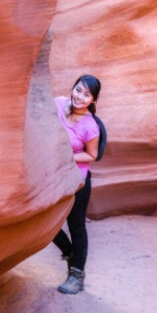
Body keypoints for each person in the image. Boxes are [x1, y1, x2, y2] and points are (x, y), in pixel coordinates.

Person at [52, 74, 101, 294]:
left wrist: (67, 156)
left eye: (86, 94)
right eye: (78, 90)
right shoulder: (59, 104)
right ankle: (72, 254)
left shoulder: (90, 127)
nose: (80, 96)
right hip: (52, 175)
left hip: (77, 180)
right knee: (47, 222)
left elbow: (92, 155)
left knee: (76, 226)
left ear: (93, 101)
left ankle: (76, 275)